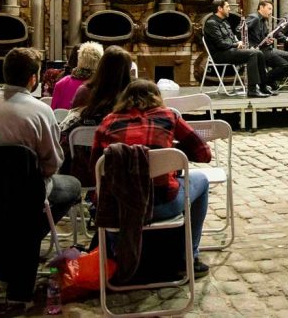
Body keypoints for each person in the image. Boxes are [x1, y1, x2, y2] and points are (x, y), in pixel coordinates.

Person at [87, 79, 213, 277]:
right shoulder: (169, 116)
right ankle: (189, 257)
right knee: (202, 181)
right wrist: (173, 154)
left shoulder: (108, 122)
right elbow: (204, 154)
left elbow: (94, 167)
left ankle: (115, 257)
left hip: (120, 208)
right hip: (161, 204)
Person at [0, 47, 82, 232]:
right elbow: (52, 164)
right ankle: (30, 234)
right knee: (73, 185)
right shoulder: (41, 111)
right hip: (26, 191)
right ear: (33, 79)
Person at [59, 45, 134, 181]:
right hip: (125, 167)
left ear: (101, 66)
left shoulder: (84, 91)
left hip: (85, 167)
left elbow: (73, 119)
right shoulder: (132, 95)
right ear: (128, 70)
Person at [203, 0, 271, 98]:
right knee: (253, 54)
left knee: (258, 53)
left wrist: (239, 44)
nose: (229, 9)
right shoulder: (211, 23)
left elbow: (230, 39)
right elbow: (220, 43)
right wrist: (236, 44)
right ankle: (252, 90)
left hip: (230, 51)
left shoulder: (225, 22)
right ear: (219, 8)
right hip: (220, 54)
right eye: (227, 7)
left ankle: (263, 87)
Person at [246, 0, 288, 93]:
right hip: (258, 50)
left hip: (266, 48)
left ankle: (269, 81)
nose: (271, 12)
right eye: (269, 9)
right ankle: (265, 81)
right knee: (285, 66)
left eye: (272, 9)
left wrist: (268, 41)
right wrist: (250, 46)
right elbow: (240, 29)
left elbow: (262, 37)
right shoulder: (254, 18)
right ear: (261, 7)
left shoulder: (263, 20)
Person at [51, 42, 104, 110]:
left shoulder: (61, 83)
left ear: (79, 59)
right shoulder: (102, 86)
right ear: (100, 61)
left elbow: (53, 112)